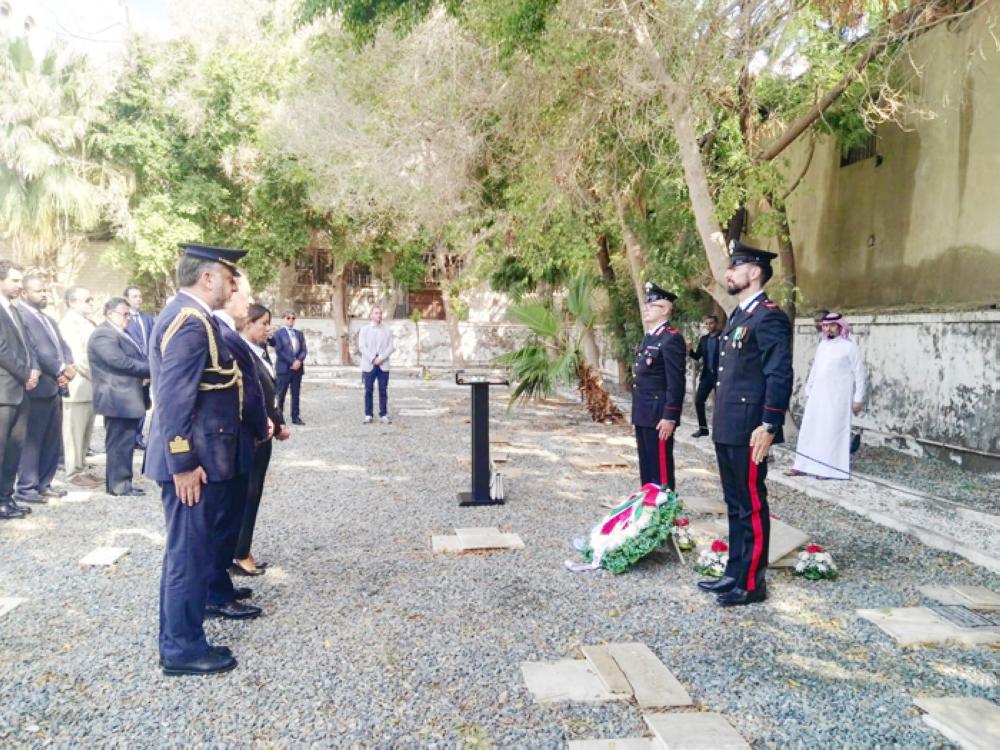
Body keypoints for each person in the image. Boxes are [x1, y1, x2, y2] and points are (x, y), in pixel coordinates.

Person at [145, 242, 246, 677]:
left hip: (201, 459)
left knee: (192, 549)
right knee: (186, 554)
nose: (232, 284)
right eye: (228, 276)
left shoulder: (190, 316)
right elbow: (172, 401)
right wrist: (183, 464)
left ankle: (185, 638)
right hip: (192, 465)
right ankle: (181, 649)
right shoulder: (190, 322)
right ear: (207, 278)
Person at [697, 240, 792, 607]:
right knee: (735, 501)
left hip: (751, 426)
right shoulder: (739, 315)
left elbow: (779, 372)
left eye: (735, 268)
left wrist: (769, 423)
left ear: (754, 273)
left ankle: (752, 584)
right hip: (729, 424)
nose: (728, 273)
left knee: (751, 503)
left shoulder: (769, 316)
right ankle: (734, 572)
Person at [208, 275, 267, 617]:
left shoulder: (226, 332)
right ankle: (215, 594)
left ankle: (220, 586)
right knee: (221, 522)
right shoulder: (219, 332)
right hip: (229, 441)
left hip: (241, 438)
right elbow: (240, 392)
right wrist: (260, 426)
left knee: (229, 519)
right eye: (242, 294)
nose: (246, 300)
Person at [234, 303, 290, 576]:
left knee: (253, 495)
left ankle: (243, 548)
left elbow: (271, 393)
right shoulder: (242, 352)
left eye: (270, 323)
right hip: (252, 436)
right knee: (247, 494)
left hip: (265, 433)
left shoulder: (261, 351)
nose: (269, 328)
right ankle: (239, 553)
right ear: (247, 324)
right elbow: (250, 397)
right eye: (263, 323)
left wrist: (279, 422)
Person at [15, 272, 75, 504]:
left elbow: (62, 345)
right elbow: (36, 350)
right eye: (39, 291)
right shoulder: (20, 316)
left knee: (51, 439)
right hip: (37, 389)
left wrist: (68, 365)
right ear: (25, 292)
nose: (44, 294)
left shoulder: (47, 319)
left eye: (45, 291)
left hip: (55, 388)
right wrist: (60, 368)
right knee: (33, 440)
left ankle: (44, 483)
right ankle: (27, 487)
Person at [789, 312, 867, 480]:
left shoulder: (850, 346)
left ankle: (829, 470)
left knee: (831, 431)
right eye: (825, 326)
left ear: (840, 326)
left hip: (838, 398)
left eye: (832, 325)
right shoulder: (823, 345)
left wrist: (858, 398)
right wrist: (809, 388)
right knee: (810, 429)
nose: (828, 329)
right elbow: (816, 368)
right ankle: (802, 465)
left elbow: (860, 373)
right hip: (817, 395)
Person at [88, 298, 150, 496]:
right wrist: (151, 369)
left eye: (129, 315)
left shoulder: (121, 333)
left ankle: (123, 482)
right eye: (124, 314)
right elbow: (119, 362)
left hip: (126, 396)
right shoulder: (103, 334)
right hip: (117, 397)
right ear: (109, 313)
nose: (128, 319)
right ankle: (118, 485)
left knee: (125, 442)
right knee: (118, 444)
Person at [631, 282, 686, 491]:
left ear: (664, 309)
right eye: (646, 304)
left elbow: (676, 382)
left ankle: (664, 511)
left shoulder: (671, 339)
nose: (646, 308)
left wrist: (670, 416)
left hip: (659, 415)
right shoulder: (649, 337)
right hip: (643, 411)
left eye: (651, 304)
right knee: (646, 465)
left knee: (661, 468)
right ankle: (648, 505)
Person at [0, 261, 38, 519]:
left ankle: (6, 498)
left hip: (22, 389)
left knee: (14, 448)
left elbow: (28, 345)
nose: (19, 285)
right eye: (14, 280)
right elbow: (2, 349)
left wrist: (34, 368)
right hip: (5, 390)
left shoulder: (14, 310)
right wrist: (26, 374)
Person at [59, 287, 101, 488]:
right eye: (87, 300)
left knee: (85, 432)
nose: (91, 303)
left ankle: (81, 467)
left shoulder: (86, 323)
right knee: (74, 433)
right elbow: (77, 357)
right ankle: (73, 472)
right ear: (72, 302)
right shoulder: (68, 324)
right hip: (78, 386)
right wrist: (99, 376)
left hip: (88, 387)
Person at [124, 285, 154, 450]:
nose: (139, 299)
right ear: (127, 299)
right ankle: (130, 436)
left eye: (140, 296)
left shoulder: (147, 319)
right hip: (133, 370)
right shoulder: (124, 320)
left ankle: (138, 437)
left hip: (147, 369)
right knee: (133, 404)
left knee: (144, 403)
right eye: (134, 296)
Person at [358, 305, 395, 424]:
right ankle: (368, 414)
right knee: (368, 390)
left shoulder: (387, 330)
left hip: (383, 364)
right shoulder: (364, 330)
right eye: (376, 313)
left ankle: (383, 414)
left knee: (383, 390)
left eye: (380, 313)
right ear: (371, 315)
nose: (379, 315)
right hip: (369, 364)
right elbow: (362, 346)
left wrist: (381, 358)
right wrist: (373, 358)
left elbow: (391, 347)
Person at [687, 314, 721, 438]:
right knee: (698, 400)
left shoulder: (723, 337)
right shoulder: (704, 339)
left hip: (720, 376)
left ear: (716, 324)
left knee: (722, 404)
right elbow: (697, 356)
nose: (708, 326)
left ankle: (722, 430)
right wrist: (690, 351)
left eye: (711, 323)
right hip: (707, 375)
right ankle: (703, 429)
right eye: (706, 323)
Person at [272, 310, 306, 425]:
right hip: (284, 369)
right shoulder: (278, 334)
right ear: (283, 319)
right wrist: (292, 361)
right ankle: (279, 418)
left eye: (293, 318)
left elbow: (304, 350)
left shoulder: (299, 334)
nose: (291, 320)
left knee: (296, 394)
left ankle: (295, 417)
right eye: (288, 318)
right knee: (281, 394)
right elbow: (279, 351)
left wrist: (299, 361)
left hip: (298, 370)